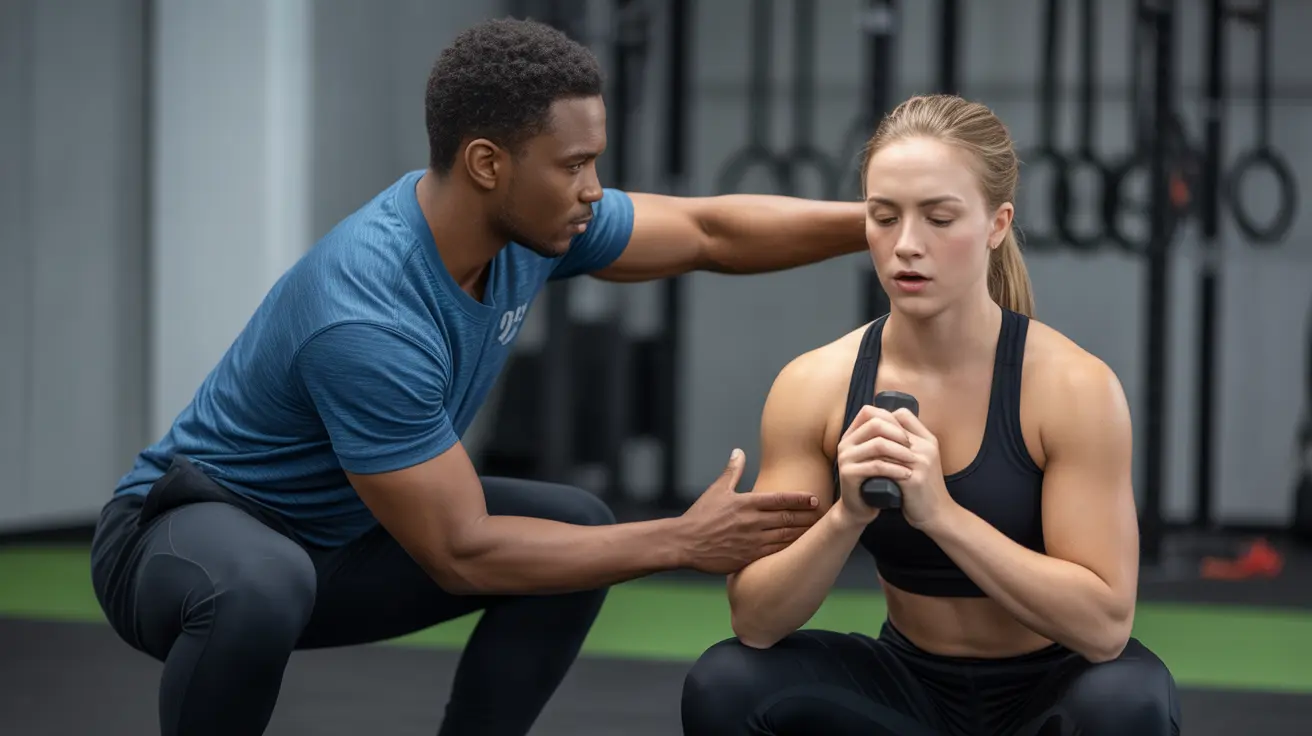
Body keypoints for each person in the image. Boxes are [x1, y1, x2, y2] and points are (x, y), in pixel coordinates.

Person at [87, 17, 864, 736]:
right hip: (182, 544)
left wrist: (886, 221)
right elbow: (460, 552)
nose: (594, 188)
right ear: (488, 164)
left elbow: (708, 231)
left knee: (579, 532)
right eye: (574, 165)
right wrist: (681, 541)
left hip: (344, 538)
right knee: (262, 584)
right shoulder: (366, 315)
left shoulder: (528, 228)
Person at [680, 94, 1182, 736]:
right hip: (907, 689)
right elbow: (755, 619)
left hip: (1051, 691)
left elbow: (1105, 628)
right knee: (727, 683)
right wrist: (846, 515)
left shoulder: (1072, 388)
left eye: (939, 219)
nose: (906, 246)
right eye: (884, 217)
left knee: (1128, 700)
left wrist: (941, 514)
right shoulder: (817, 385)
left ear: (997, 224)